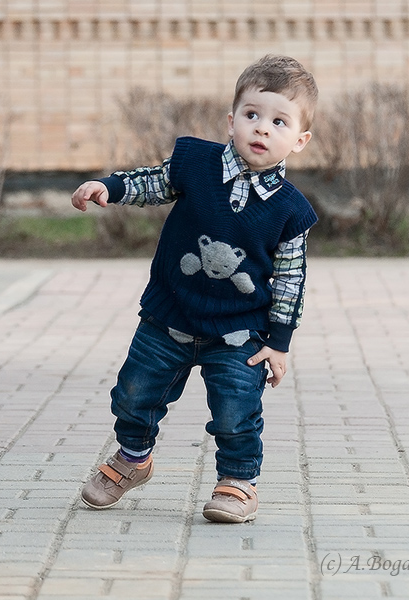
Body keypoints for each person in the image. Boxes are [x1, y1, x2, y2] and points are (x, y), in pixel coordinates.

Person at [70, 55, 318, 523]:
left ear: (300, 140)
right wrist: (110, 187)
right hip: (169, 318)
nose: (262, 129)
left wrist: (279, 343)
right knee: (133, 394)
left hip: (240, 334)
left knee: (236, 410)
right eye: (252, 115)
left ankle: (237, 482)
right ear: (231, 122)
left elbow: (290, 279)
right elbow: (152, 182)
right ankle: (132, 458)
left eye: (279, 122)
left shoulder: (291, 211)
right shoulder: (195, 163)